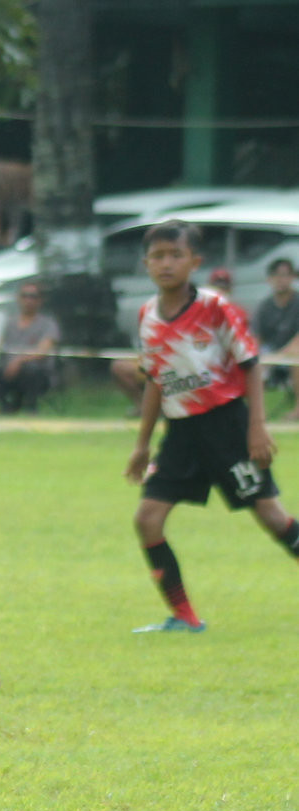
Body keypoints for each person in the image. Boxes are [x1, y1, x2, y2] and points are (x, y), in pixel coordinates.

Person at [124, 222, 299, 632]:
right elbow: (155, 380)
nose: (166, 264)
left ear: (194, 262)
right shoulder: (147, 316)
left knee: (271, 516)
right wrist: (142, 443)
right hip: (182, 434)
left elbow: (250, 366)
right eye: (158, 256)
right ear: (147, 263)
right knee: (147, 519)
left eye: (176, 255)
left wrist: (257, 427)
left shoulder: (216, 307)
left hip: (227, 426)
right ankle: (185, 617)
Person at [0, 281, 59, 414]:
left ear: (40, 300)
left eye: (33, 296)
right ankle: (5, 408)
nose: (28, 300)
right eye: (24, 296)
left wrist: (18, 361)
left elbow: (43, 351)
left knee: (31, 371)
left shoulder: (48, 324)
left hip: (36, 371)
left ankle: (30, 407)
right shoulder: (8, 323)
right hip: (8, 369)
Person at [253, 258, 299, 413]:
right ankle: (257, 413)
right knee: (254, 366)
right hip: (271, 353)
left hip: (293, 354)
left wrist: (282, 355)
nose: (281, 280)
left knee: (296, 363)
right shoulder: (264, 306)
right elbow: (256, 338)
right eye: (277, 275)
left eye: (285, 275)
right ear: (269, 279)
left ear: (293, 277)